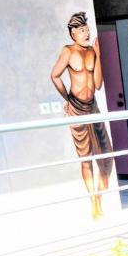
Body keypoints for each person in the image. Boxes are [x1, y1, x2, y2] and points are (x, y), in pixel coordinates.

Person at [50, 11, 113, 219]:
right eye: (83, 30)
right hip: (77, 108)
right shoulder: (67, 51)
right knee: (85, 159)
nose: (87, 33)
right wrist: (67, 99)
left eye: (88, 29)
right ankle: (94, 203)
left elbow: (98, 84)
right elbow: (55, 75)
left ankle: (99, 199)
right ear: (73, 33)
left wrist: (99, 55)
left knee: (105, 156)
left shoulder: (91, 52)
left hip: (92, 106)